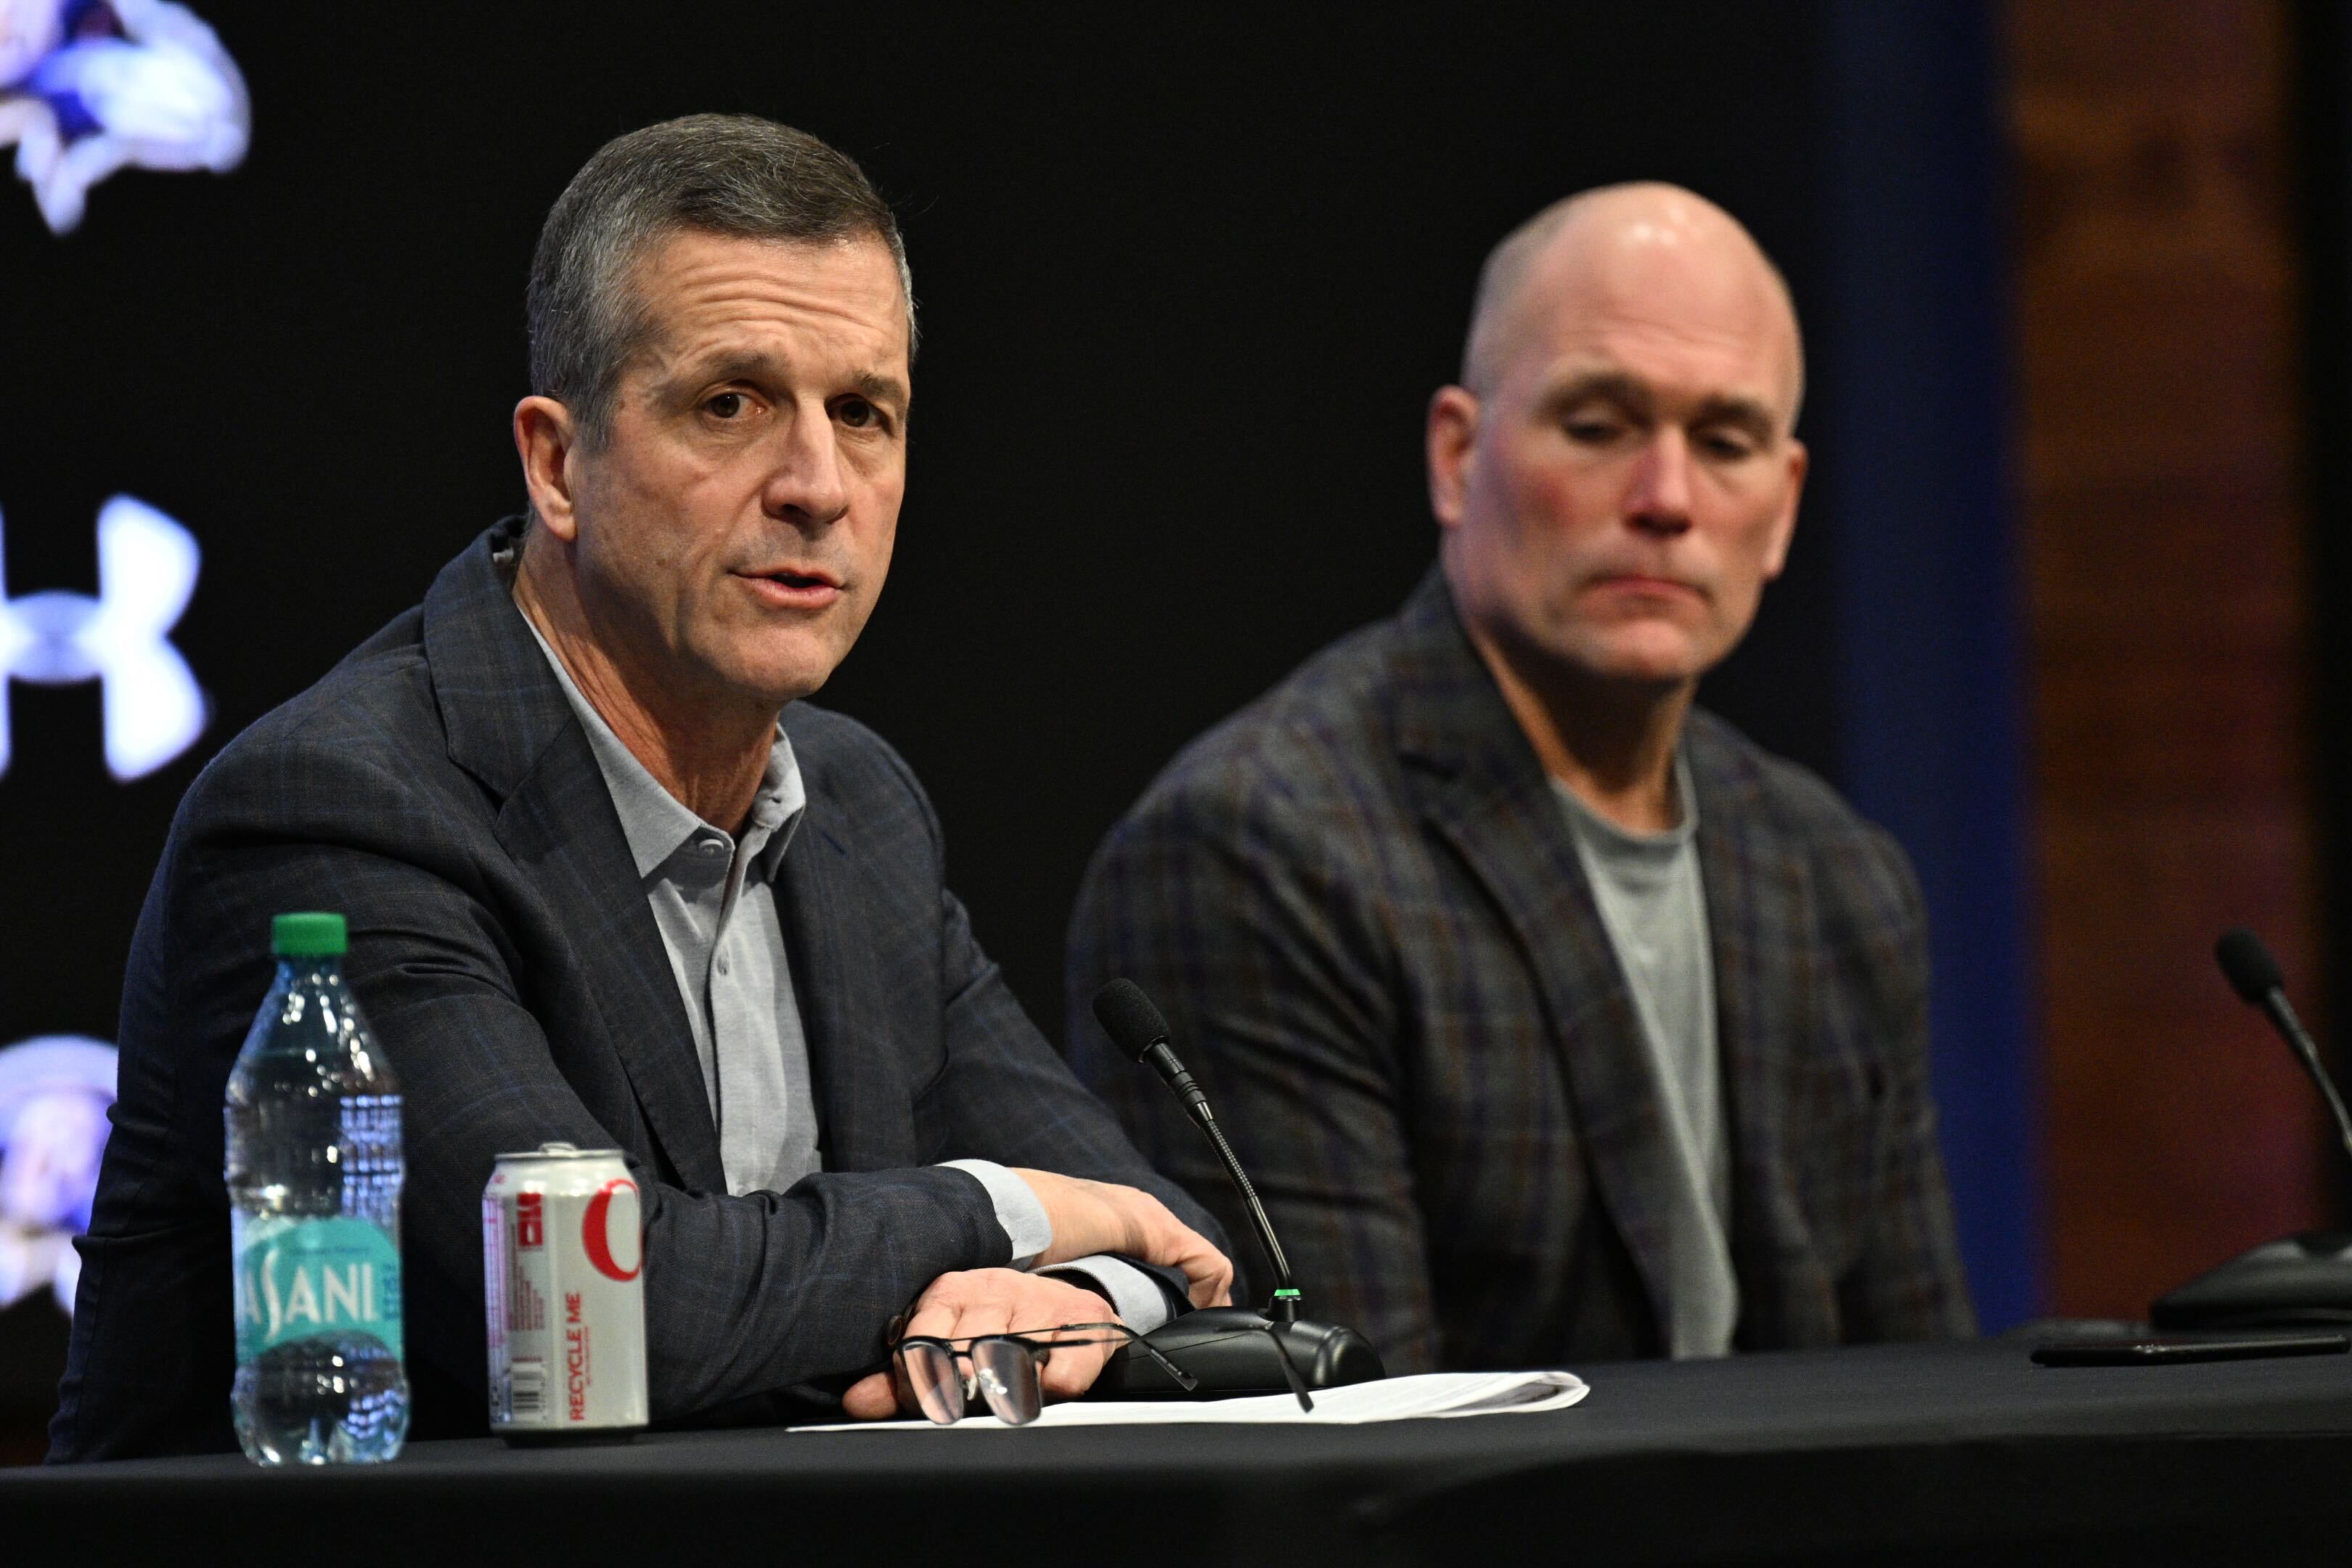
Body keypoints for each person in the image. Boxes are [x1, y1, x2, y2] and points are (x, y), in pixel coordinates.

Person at [52, 115, 1232, 1460]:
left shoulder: (859, 806)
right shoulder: (336, 813)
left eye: (863, 414)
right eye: (729, 404)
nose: (816, 487)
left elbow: (1154, 1232)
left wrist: (1059, 1293)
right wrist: (995, 1211)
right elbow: (601, 1322)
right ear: (559, 464)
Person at [1066, 184, 1972, 1374]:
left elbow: (1931, 1399)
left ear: (1785, 505)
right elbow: (1354, 1437)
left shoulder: (1838, 876)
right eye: (1599, 425)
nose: (1666, 500)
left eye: (1725, 441)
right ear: (1458, 453)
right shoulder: (1257, 850)